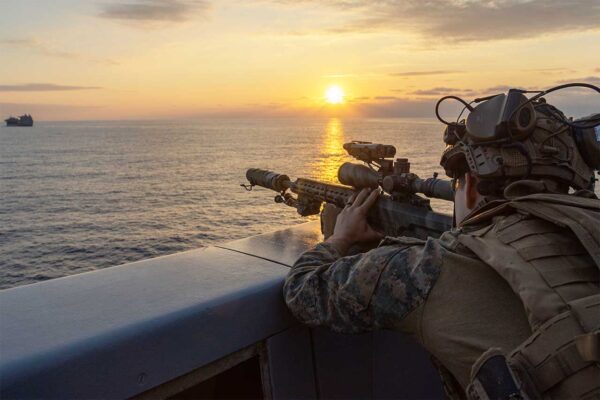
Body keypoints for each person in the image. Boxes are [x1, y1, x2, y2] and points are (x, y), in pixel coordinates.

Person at [283, 92, 600, 399]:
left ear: (472, 187)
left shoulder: (432, 266)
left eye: (458, 183)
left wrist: (340, 238)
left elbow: (302, 290)